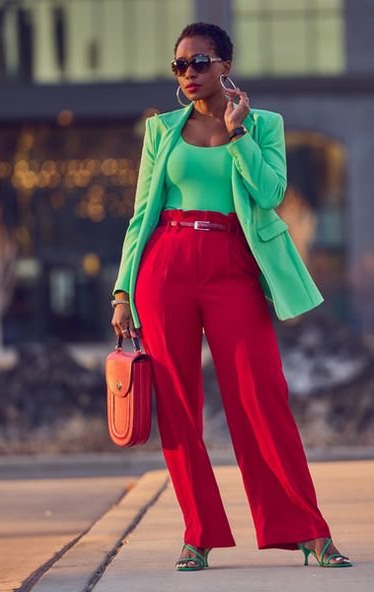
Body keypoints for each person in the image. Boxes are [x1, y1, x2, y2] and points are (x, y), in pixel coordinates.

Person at [110, 22, 352, 572]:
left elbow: (269, 193)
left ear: (225, 65)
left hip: (232, 266)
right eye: (179, 65)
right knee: (177, 408)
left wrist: (238, 133)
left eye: (199, 62)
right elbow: (140, 212)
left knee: (262, 396)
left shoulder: (264, 124)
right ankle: (198, 533)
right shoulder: (161, 131)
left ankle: (309, 531)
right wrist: (123, 289)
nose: (188, 74)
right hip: (165, 267)